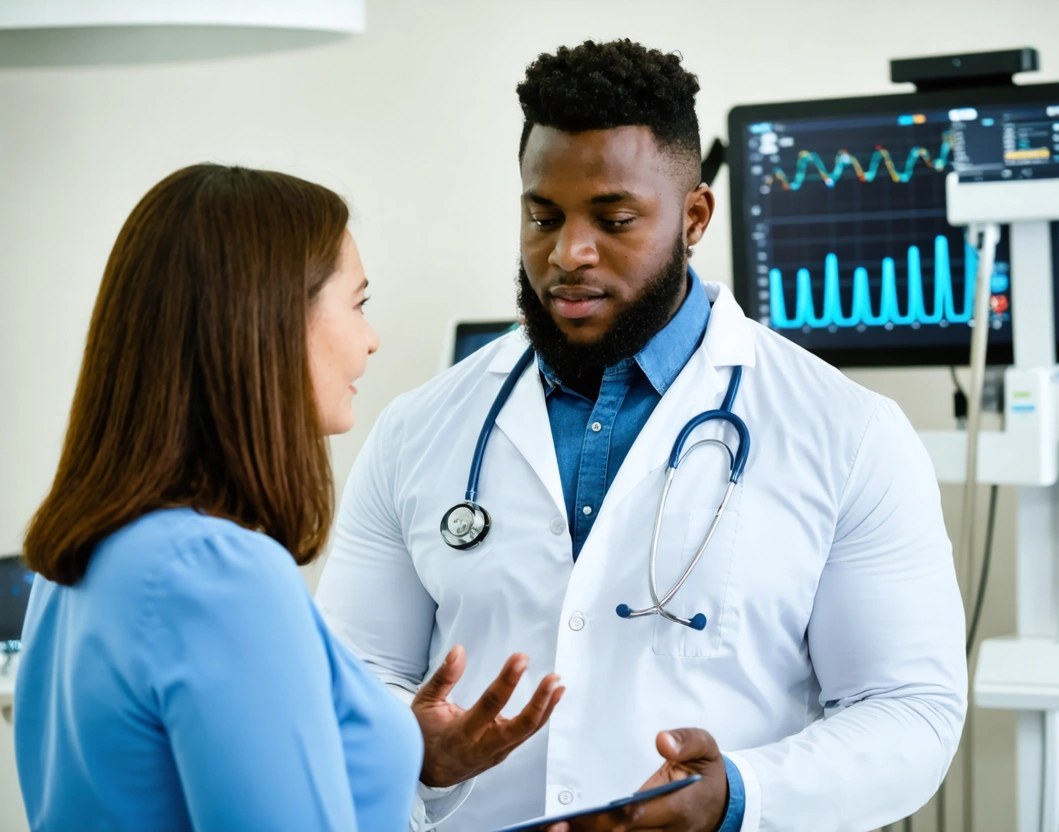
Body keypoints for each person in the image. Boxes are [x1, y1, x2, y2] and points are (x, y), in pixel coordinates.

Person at [317, 40, 968, 832]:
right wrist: (416, 749)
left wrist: (739, 795)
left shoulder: (848, 432)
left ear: (694, 216)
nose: (568, 255)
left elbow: (908, 711)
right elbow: (357, 676)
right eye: (541, 217)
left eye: (614, 220)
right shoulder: (418, 430)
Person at [14, 164, 555, 832]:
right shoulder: (219, 573)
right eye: (358, 304)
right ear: (266, 322)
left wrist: (394, 749)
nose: (371, 339)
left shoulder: (74, 554)